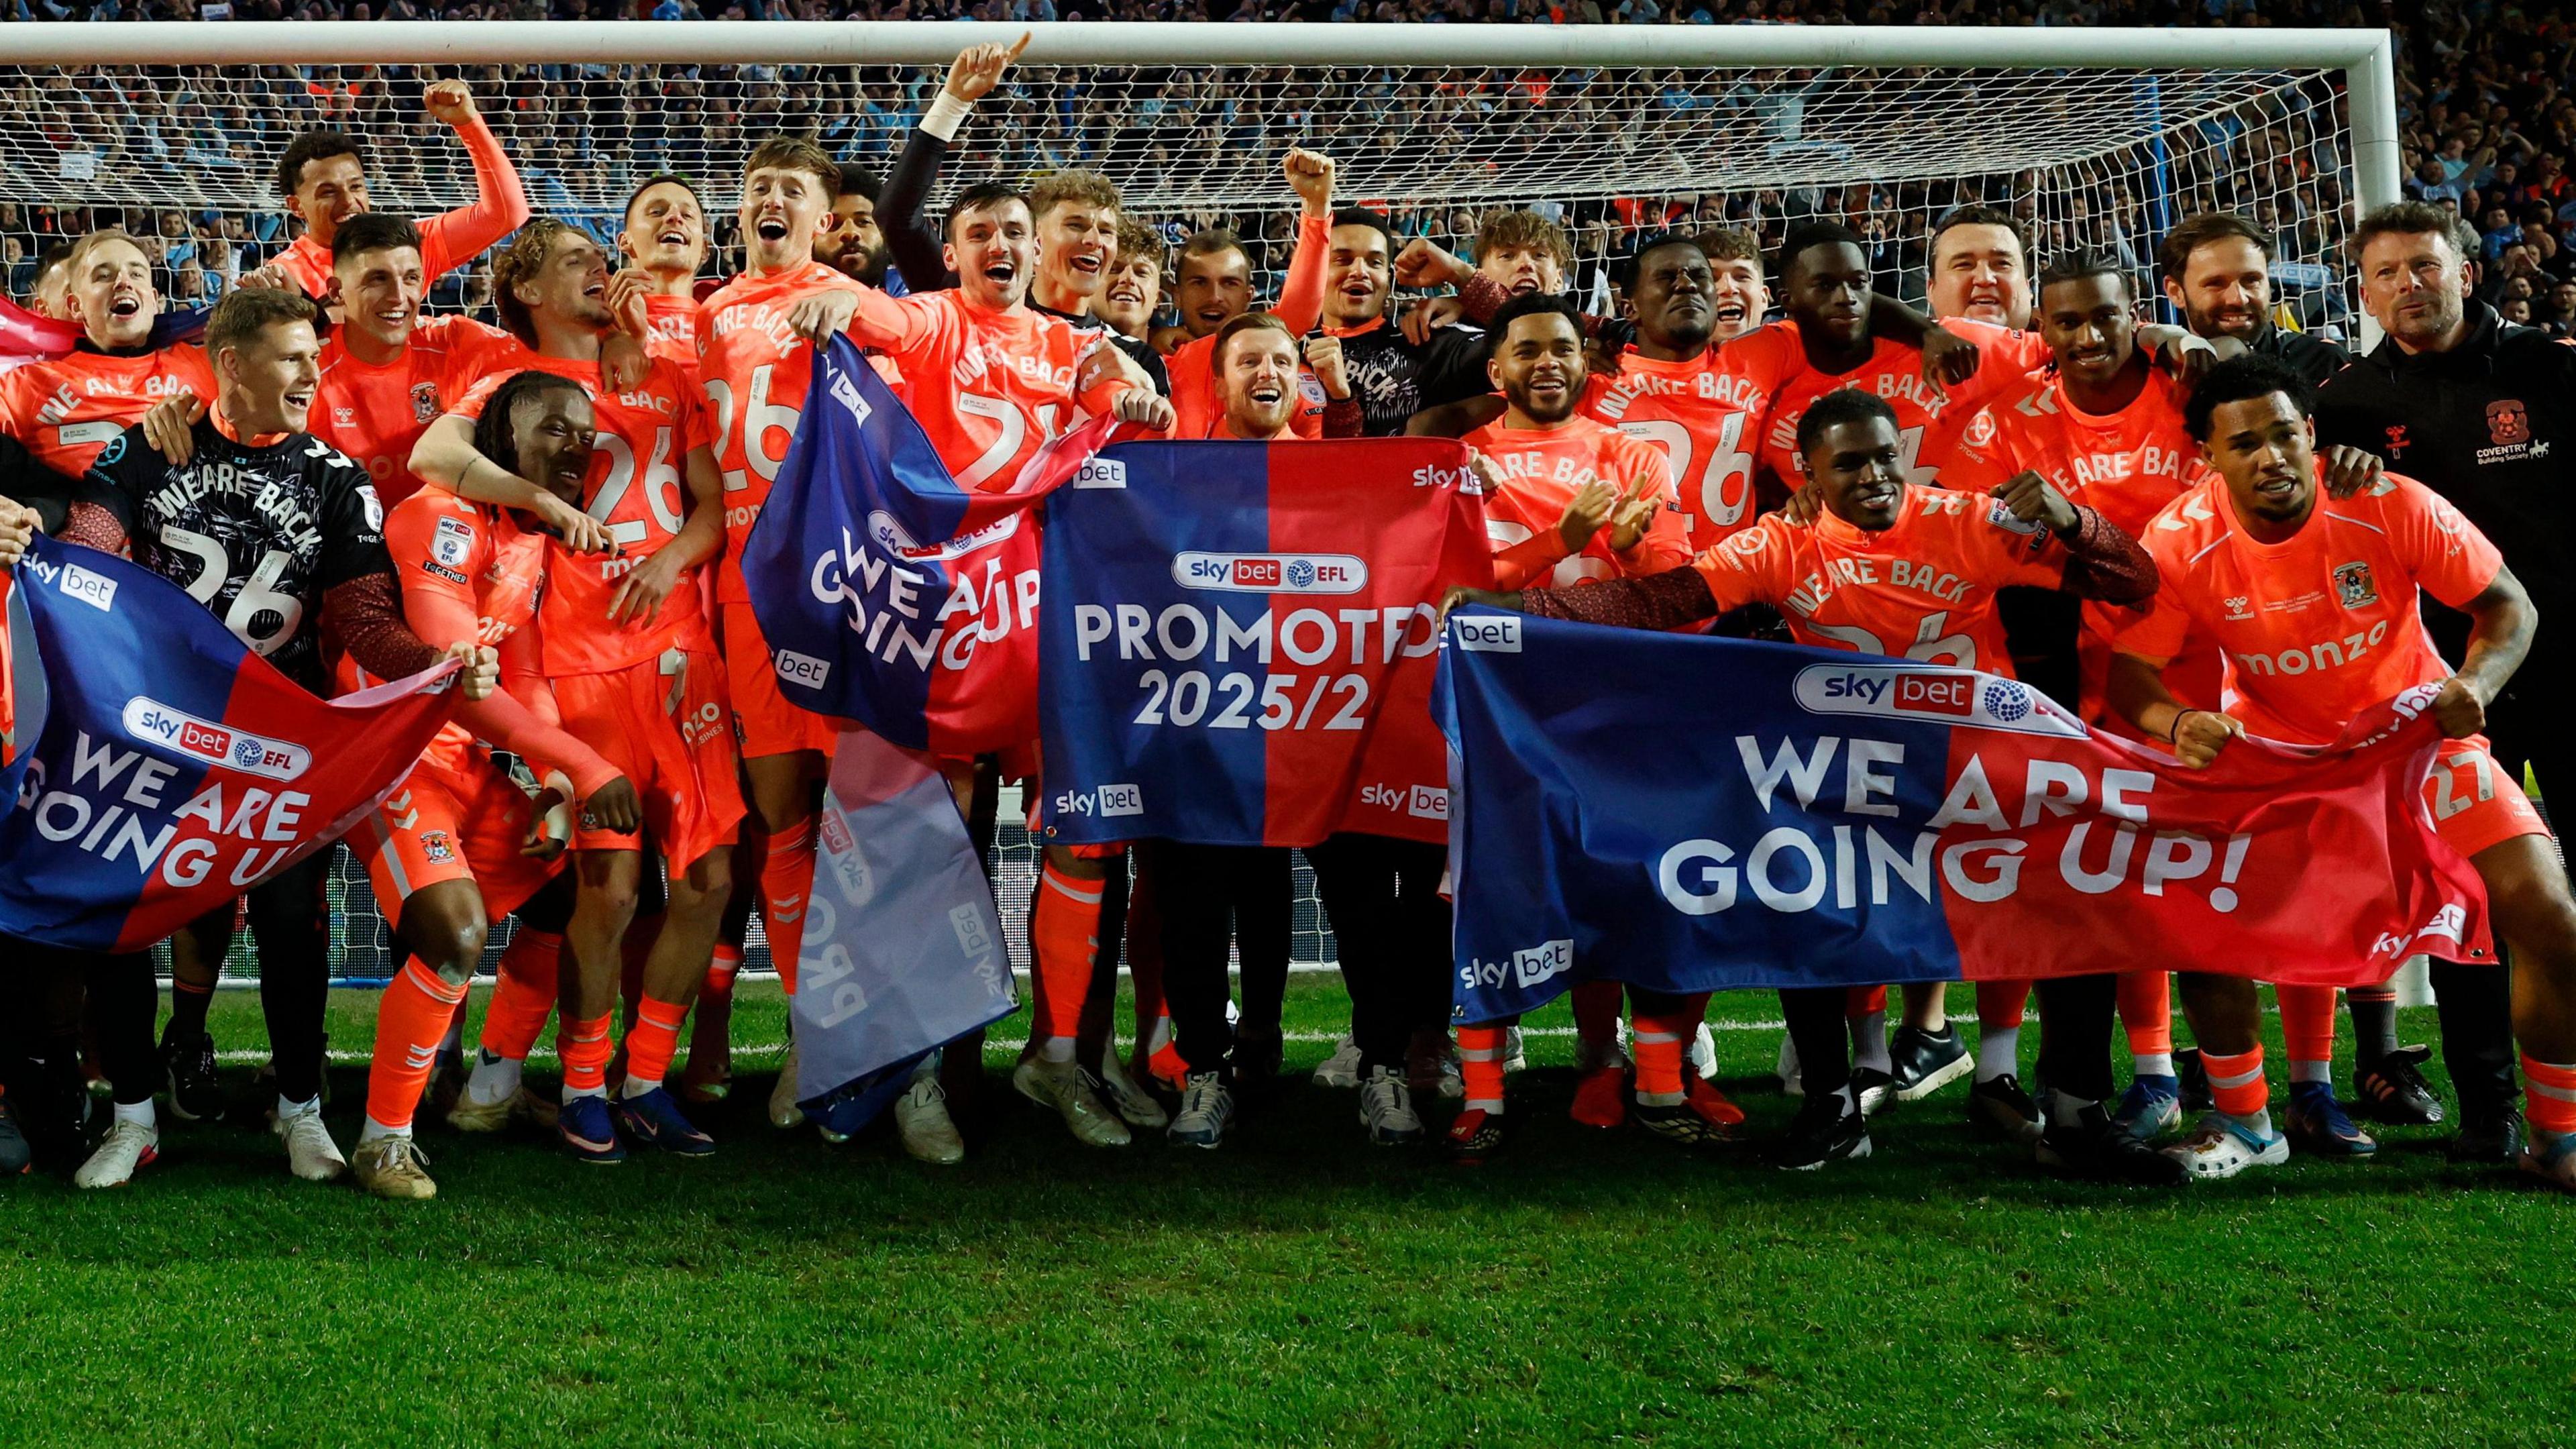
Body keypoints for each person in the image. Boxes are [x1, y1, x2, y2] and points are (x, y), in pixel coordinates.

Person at [1448, 387, 2171, 1179]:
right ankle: (1831, 1106)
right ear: (1810, 474)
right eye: (1848, 463)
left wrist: (2075, 522)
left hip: (1974, 771)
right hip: (1855, 778)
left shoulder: (1968, 521)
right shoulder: (1780, 545)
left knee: (2075, 904)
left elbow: (2132, 583)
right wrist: (1516, 606)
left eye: (1884, 457)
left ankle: (2076, 1114)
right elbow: (1661, 599)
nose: (1873, 476)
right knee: (1799, 900)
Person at [40, 286, 495, 1189]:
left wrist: (431, 663)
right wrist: (55, 552)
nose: (309, 375)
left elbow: (362, 616)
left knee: (292, 921)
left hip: (275, 741)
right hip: (154, 732)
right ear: (232, 365)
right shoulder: (145, 446)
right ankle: (133, 1117)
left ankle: (299, 1110)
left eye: (313, 361)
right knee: (126, 920)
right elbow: (92, 543)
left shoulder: (337, 478)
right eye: (290, 358)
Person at [2107, 355, 2576, 1191]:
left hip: (2414, 741)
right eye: (2243, 443)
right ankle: (2248, 1125)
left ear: (2311, 433)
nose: (2270, 457)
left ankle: (2559, 1136)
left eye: (2284, 434)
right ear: (2208, 457)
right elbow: (2130, 674)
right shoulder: (2179, 538)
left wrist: (2476, 683)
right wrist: (2175, 722)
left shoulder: (2384, 501)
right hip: (2277, 758)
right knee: (2198, 916)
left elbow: (2510, 606)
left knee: (2547, 912)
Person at [785, 172, 1174, 1150]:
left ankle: (1054, 1059)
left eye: (1013, 231)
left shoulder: (1073, 342)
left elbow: (1103, 384)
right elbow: (883, 319)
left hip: (1050, 630)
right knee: (929, 845)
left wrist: (1130, 392)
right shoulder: (930, 319)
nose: (999, 245)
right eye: (979, 233)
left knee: (1080, 839)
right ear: (951, 253)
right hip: (941, 630)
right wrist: (842, 297)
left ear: (1036, 253)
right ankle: (916, 1074)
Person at [412, 218, 741, 1164]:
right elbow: (439, 458)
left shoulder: (664, 375)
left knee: (710, 881)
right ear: (527, 289)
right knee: (611, 888)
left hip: (682, 656)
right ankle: (584, 1083)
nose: (601, 272)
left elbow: (710, 506)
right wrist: (545, 505)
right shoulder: (508, 385)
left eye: (603, 261)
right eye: (575, 264)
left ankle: (646, 1080)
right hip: (575, 663)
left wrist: (674, 557)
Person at [2310, 201, 2576, 1159]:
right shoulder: (2346, 403)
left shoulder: (2549, 368)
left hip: (2570, 663)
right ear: (2366, 288)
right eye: (2384, 273)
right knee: (2472, 900)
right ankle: (2492, 1109)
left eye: (2423, 266)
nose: (2406, 287)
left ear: (2466, 269)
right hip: (2448, 691)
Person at [342, 368, 643, 1198]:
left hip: (467, 763)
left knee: (561, 890)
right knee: (456, 932)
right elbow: (454, 681)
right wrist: (586, 766)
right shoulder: (439, 517)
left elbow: (526, 668)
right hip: (390, 758)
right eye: (554, 429)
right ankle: (384, 1141)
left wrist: (550, 778)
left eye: (586, 434)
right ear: (503, 438)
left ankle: (488, 1090)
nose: (577, 447)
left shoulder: (529, 537)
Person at [256, 80, 530, 301]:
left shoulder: (409, 244)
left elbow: (507, 214)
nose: (349, 201)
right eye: (328, 192)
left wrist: (468, 123)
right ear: (295, 206)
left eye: (356, 187)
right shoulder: (283, 278)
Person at [2157, 211, 2351, 388]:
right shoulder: (2157, 375)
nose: (2239, 299)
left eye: (2252, 280)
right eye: (2216, 283)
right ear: (2176, 292)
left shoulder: (2322, 364)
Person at [1925, 205, 2035, 330]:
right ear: (1931, 289)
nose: (1985, 279)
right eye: (1964, 265)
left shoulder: (2054, 349)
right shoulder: (1902, 348)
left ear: (2028, 287)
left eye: (2002, 264)